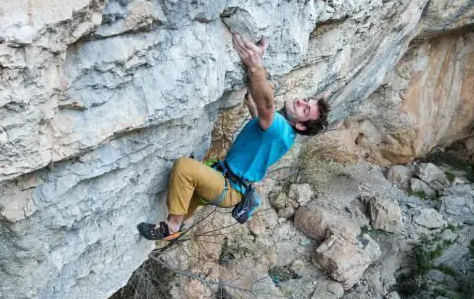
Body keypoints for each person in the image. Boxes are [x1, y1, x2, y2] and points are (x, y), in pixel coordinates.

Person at [138, 32, 330, 241]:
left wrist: (256, 66)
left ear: (301, 125)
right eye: (306, 101)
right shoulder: (285, 134)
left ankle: (171, 227)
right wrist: (254, 110)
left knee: (185, 168)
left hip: (226, 186)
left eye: (305, 110)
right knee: (187, 201)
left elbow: (267, 105)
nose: (301, 102)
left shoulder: (281, 128)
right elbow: (262, 132)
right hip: (225, 181)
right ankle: (173, 228)